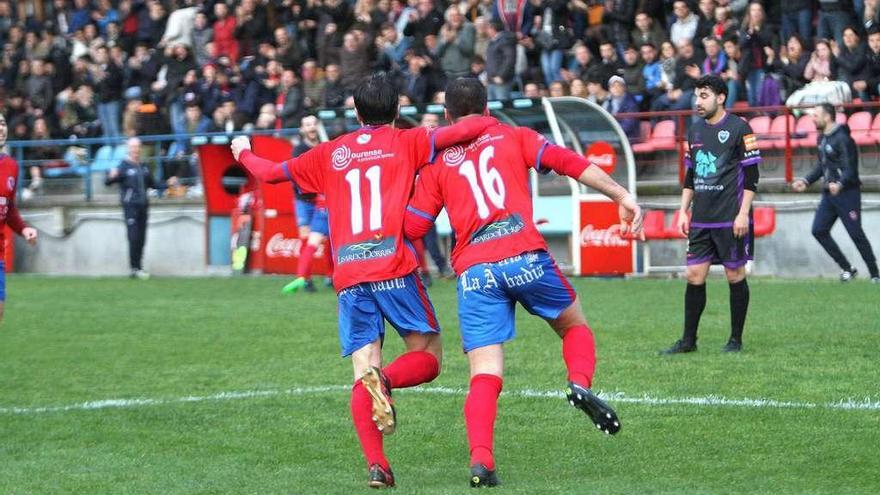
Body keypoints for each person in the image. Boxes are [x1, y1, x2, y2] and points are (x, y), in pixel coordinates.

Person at [230, 73, 495, 489]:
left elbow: (269, 173)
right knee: (428, 356)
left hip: (349, 275)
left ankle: (378, 465)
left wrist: (243, 151)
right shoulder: (409, 141)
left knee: (362, 367)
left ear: (355, 113)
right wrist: (488, 119)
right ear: (397, 112)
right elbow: (469, 127)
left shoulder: (328, 152)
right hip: (393, 267)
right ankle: (386, 380)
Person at [403, 78, 643, 487]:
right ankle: (578, 383)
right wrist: (620, 194)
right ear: (487, 108)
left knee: (485, 371)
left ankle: (481, 461)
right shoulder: (515, 136)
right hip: (525, 257)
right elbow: (570, 162)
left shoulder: (437, 162)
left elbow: (413, 226)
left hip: (475, 272)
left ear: (447, 117)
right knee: (572, 325)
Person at [661, 74, 760, 355]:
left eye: (704, 96)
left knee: (734, 274)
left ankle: (735, 340)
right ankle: (688, 341)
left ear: (721, 97)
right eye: (696, 96)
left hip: (731, 217)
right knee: (693, 275)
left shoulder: (741, 128)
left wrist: (743, 214)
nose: (698, 101)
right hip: (701, 218)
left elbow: (752, 177)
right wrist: (683, 211)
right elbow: (691, 176)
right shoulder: (694, 131)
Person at [792, 103, 879, 283]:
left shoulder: (843, 139)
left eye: (816, 115)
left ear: (828, 117)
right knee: (819, 230)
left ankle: (875, 274)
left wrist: (839, 183)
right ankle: (847, 268)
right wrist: (806, 181)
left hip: (847, 193)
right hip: (829, 194)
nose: (813, 119)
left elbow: (850, 169)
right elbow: (822, 167)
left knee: (855, 233)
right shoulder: (822, 139)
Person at [282, 115, 332, 294]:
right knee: (307, 238)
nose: (311, 128)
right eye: (307, 125)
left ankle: (330, 275)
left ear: (318, 126)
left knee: (328, 239)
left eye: (313, 124)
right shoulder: (299, 149)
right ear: (303, 129)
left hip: (322, 199)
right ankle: (306, 278)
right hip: (304, 200)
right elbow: (300, 173)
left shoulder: (325, 145)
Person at [0, 113, 39, 323]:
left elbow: (9, 207)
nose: (1, 128)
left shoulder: (11, 166)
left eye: (3, 123)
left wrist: (23, 229)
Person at [105, 138, 157, 280]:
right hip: (130, 207)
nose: (136, 150)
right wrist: (110, 175)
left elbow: (153, 184)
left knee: (141, 238)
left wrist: (168, 183)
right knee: (133, 237)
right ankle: (134, 267)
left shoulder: (143, 166)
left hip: (144, 206)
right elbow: (108, 182)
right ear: (128, 148)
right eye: (133, 147)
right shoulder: (123, 166)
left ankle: (138, 267)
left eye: (138, 147)